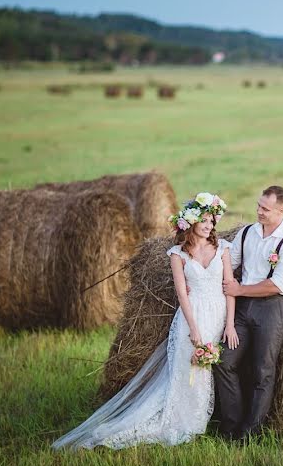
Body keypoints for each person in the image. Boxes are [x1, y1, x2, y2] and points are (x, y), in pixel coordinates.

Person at [52, 192, 238, 450]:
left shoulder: (223, 249)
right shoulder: (178, 254)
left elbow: (230, 287)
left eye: (212, 221)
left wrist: (229, 323)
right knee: (191, 368)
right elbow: (182, 293)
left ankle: (210, 419)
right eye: (204, 221)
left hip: (217, 313)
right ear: (192, 222)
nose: (209, 226)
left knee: (211, 366)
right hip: (192, 316)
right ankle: (188, 422)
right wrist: (193, 328)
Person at [214, 185, 283, 441]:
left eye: (265, 209)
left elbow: (276, 284)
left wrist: (239, 289)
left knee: (263, 370)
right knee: (224, 361)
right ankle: (231, 426)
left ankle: (250, 432)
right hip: (243, 309)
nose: (259, 212)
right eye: (258, 206)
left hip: (272, 308)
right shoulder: (247, 233)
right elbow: (228, 265)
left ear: (281, 210)